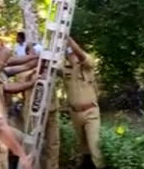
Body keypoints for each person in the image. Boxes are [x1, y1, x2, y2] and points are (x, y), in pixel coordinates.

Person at [63, 37, 105, 169]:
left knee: (95, 148)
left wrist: (67, 38)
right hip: (75, 114)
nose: (69, 53)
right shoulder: (64, 69)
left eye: (71, 51)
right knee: (83, 149)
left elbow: (81, 54)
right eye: (67, 52)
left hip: (90, 112)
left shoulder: (87, 64)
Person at [20, 43, 60, 169]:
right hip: (33, 112)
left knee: (53, 143)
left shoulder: (51, 68)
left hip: (51, 110)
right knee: (31, 144)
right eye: (34, 53)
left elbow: (61, 71)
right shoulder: (24, 69)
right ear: (28, 55)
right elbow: (23, 81)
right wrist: (36, 68)